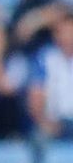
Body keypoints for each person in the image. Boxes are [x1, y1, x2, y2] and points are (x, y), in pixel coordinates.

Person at [29, 9, 73, 137]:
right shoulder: (44, 58)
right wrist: (44, 121)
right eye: (64, 32)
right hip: (55, 122)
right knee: (39, 137)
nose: (68, 37)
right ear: (56, 34)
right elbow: (35, 97)